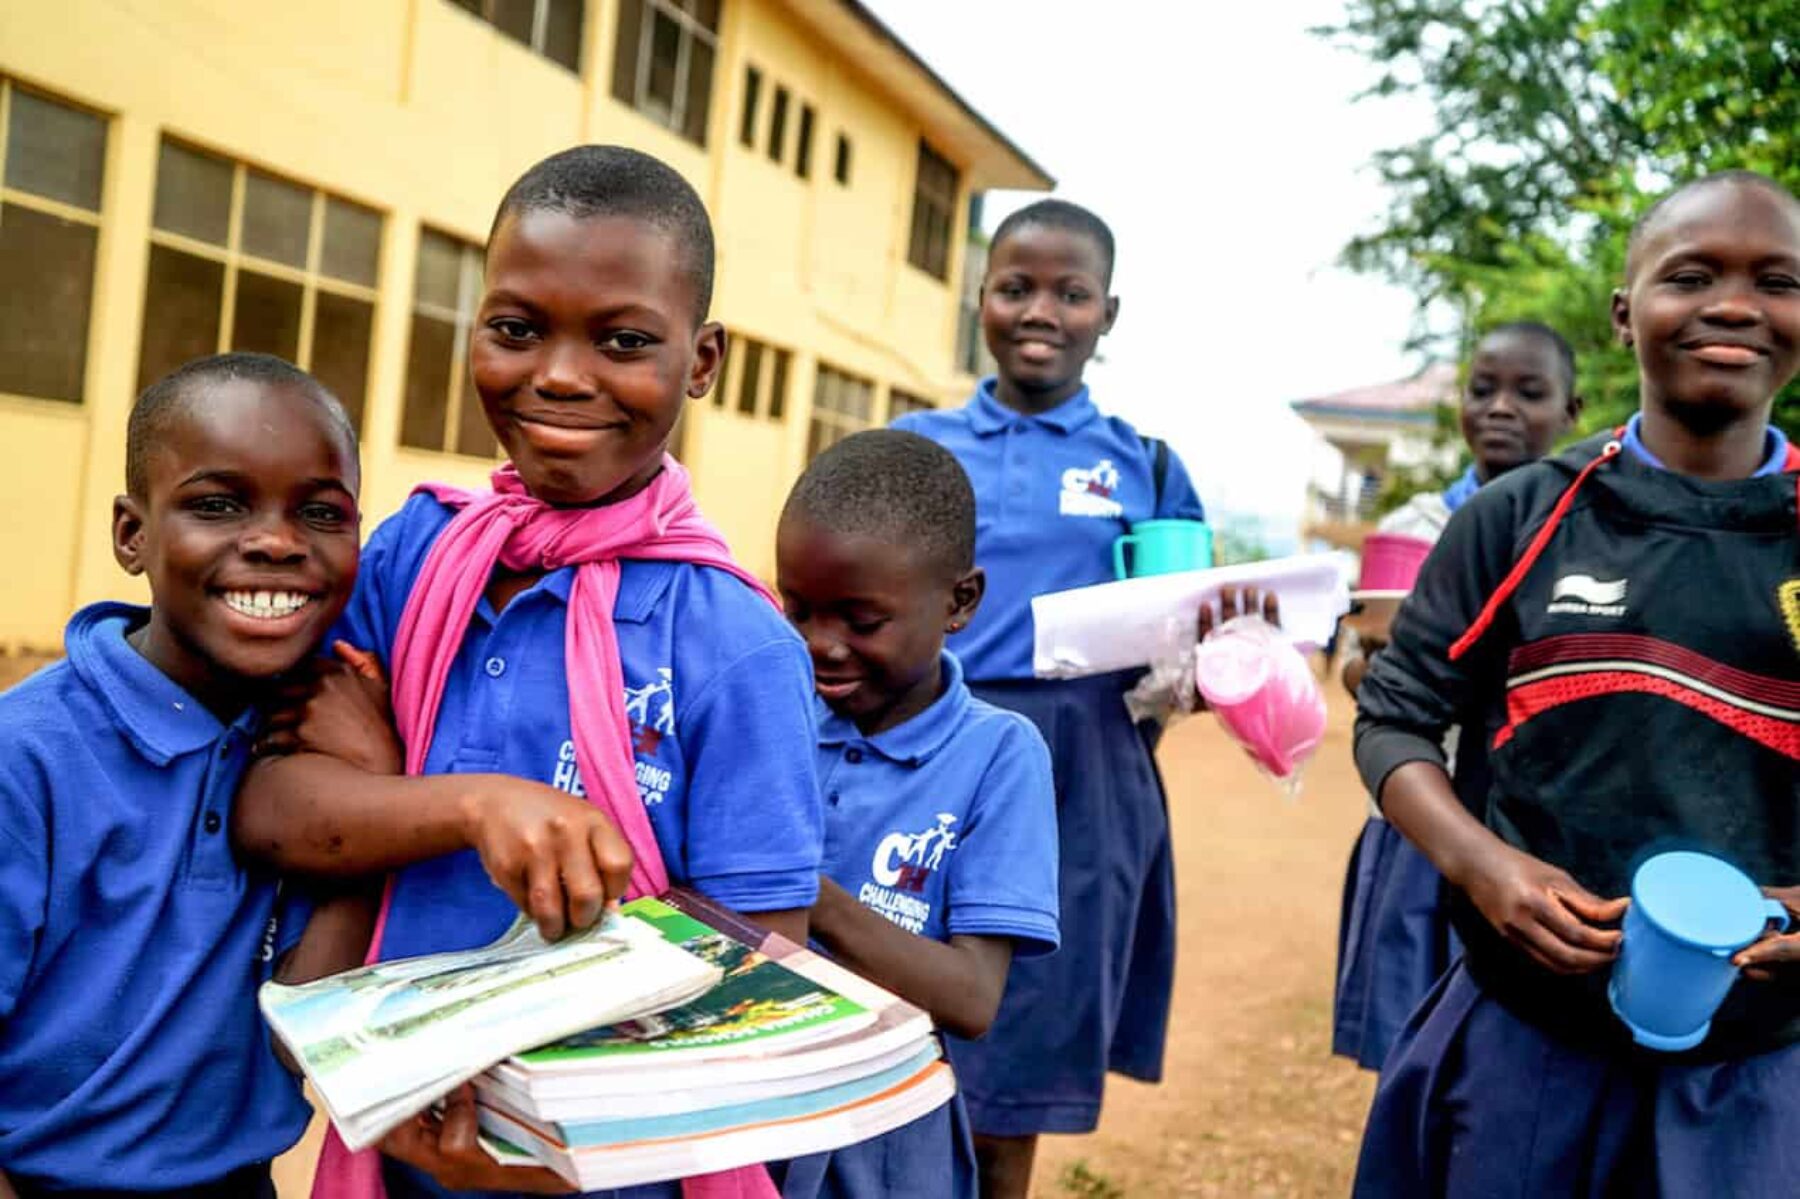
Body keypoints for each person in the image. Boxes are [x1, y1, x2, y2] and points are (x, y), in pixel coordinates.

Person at [234, 146, 824, 1199]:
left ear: (702, 360)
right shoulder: (413, 557)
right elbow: (275, 805)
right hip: (395, 1142)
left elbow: (756, 971)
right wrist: (470, 805)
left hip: (614, 1169)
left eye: (624, 340)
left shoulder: (735, 645)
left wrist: (547, 1154)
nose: (557, 373)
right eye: (516, 328)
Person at [1352, 170, 1800, 1195]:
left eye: (1777, 280)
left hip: (1762, 1065)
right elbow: (1393, 718)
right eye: (1691, 274)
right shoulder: (1518, 520)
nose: (1733, 304)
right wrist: (1480, 863)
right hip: (1527, 1045)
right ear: (1624, 309)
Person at [892, 198, 1273, 1198]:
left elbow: (1198, 646)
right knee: (881, 1007)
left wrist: (1212, 660)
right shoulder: (916, 446)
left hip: (1082, 771)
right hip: (920, 748)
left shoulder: (1144, 466)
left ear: (1110, 314)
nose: (1041, 311)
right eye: (1016, 287)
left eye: (1072, 293)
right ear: (981, 297)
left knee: (1023, 1040)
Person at [0, 353, 364, 1197]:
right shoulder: (29, 755)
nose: (276, 540)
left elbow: (306, 1032)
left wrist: (363, 794)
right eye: (216, 504)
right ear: (133, 534)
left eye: (319, 511)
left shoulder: (304, 733)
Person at [771, 430, 1060, 1199]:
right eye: (796, 610)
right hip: (743, 1124)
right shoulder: (767, 715)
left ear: (959, 601)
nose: (819, 645)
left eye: (861, 621)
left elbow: (970, 996)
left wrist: (808, 895)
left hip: (884, 1145)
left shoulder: (999, 756)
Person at [1332, 322, 1582, 1070]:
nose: (1501, 407)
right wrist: (1387, 662)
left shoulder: (1587, 528)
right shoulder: (1414, 527)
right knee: (1407, 1045)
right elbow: (1359, 668)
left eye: (1529, 392)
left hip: (1528, 835)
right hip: (1418, 820)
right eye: (1483, 389)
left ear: (1573, 409)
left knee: (1515, 1047)